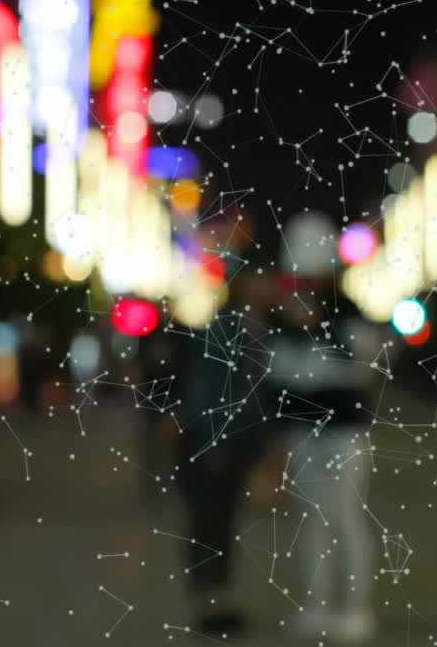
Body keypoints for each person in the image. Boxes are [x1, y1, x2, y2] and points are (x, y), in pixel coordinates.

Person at [271, 212, 379, 643]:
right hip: (304, 432)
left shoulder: (347, 310)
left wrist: (322, 334)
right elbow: (278, 374)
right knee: (313, 520)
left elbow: (362, 368)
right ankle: (318, 603)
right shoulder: (287, 314)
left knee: (346, 518)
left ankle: (355, 608)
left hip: (345, 431)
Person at [171, 271, 274, 638]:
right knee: (209, 522)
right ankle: (208, 599)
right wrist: (212, 442)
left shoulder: (257, 328)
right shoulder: (224, 329)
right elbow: (205, 390)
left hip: (238, 446)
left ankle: (220, 597)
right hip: (216, 445)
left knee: (224, 521)